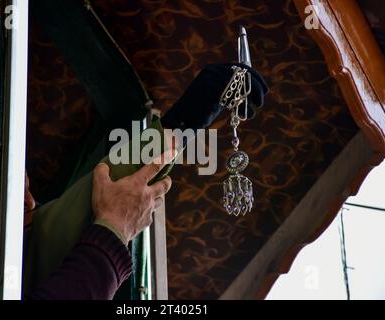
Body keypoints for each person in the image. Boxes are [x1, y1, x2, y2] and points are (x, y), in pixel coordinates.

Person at [24, 63, 269, 299]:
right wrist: (115, 227)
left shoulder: (24, 256)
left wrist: (182, 124)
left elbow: (85, 203)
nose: (26, 198)